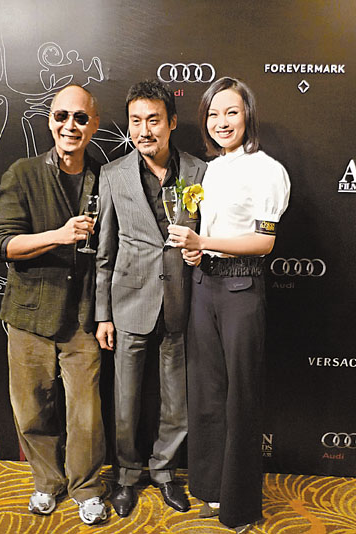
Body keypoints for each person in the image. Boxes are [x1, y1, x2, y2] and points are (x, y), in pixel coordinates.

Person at [168, 77, 290, 533]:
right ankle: (212, 491)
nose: (222, 122)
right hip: (205, 286)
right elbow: (211, 234)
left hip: (242, 288)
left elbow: (264, 242)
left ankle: (240, 508)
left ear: (247, 115)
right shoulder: (211, 169)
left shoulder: (268, 170)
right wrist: (197, 251)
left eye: (231, 112)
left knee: (240, 399)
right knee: (207, 396)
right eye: (213, 114)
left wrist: (204, 241)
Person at [0, 85, 108, 526]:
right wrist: (59, 235)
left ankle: (87, 488)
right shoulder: (22, 173)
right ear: (49, 120)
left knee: (86, 413)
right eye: (61, 116)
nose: (70, 126)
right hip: (29, 315)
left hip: (82, 315)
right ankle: (47, 481)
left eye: (80, 117)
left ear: (94, 124)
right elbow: (2, 244)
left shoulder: (105, 176)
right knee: (32, 408)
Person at [95, 79, 206, 518]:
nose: (144, 130)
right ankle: (126, 475)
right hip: (129, 304)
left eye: (153, 120)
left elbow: (208, 237)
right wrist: (103, 314)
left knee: (177, 400)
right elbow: (104, 253)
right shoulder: (112, 174)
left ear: (171, 122)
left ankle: (164, 471)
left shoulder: (199, 171)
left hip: (182, 302)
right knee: (125, 400)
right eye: (136, 121)